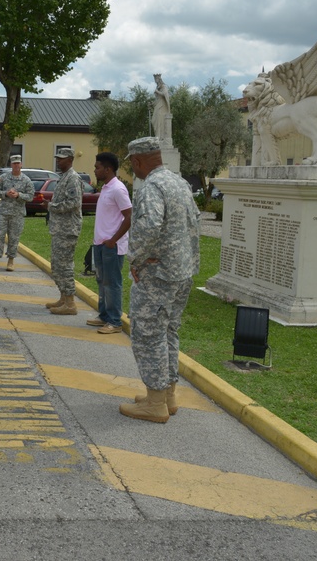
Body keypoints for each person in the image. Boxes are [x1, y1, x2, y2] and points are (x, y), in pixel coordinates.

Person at [119, 137, 199, 423]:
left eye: (132, 164)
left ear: (138, 161)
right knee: (168, 332)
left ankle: (154, 404)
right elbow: (194, 222)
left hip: (158, 275)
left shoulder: (151, 186)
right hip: (182, 271)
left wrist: (136, 258)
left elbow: (150, 225)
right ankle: (167, 397)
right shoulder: (179, 183)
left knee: (149, 334)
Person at [88, 152, 131, 334]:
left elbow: (129, 216)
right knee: (101, 281)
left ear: (108, 169)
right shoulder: (106, 188)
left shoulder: (118, 189)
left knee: (112, 283)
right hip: (100, 244)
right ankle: (104, 315)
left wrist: (114, 240)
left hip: (112, 247)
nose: (95, 170)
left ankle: (115, 321)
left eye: (98, 167)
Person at [44, 149, 83, 315]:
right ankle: (63, 297)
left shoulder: (73, 178)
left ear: (71, 160)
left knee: (65, 266)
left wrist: (51, 207)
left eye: (62, 159)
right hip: (60, 228)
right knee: (57, 265)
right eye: (57, 159)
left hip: (68, 230)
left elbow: (73, 203)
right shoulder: (64, 177)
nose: (58, 162)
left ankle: (70, 303)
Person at [0, 155, 35, 272]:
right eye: (14, 163)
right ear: (11, 165)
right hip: (3, 212)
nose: (16, 166)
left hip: (17, 214)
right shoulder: (3, 178)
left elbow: (30, 196)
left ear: (21, 165)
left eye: (18, 163)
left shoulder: (26, 180)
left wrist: (18, 195)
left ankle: (11, 260)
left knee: (14, 238)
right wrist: (6, 193)